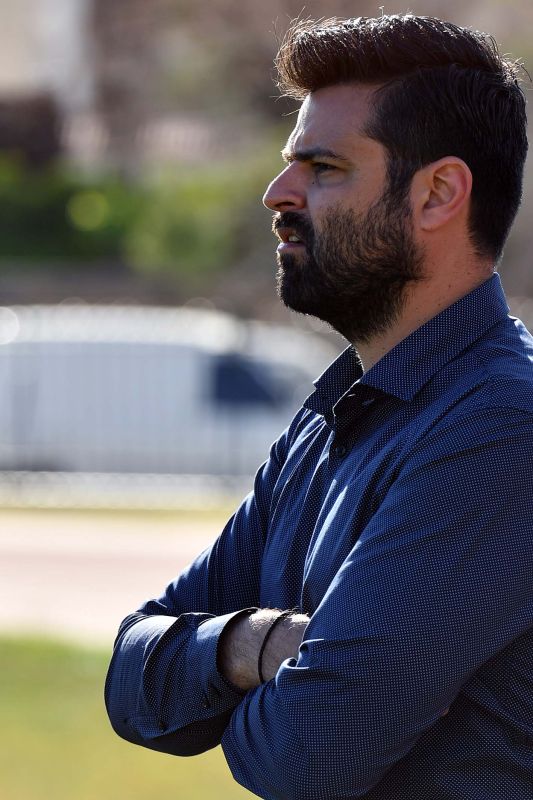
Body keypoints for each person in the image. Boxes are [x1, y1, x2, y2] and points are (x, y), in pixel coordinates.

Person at [105, 14, 533, 800]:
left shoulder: (502, 427)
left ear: (437, 194)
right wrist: (253, 643)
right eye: (288, 165)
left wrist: (232, 686)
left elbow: (303, 753)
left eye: (324, 167)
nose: (278, 194)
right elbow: (131, 685)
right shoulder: (332, 416)